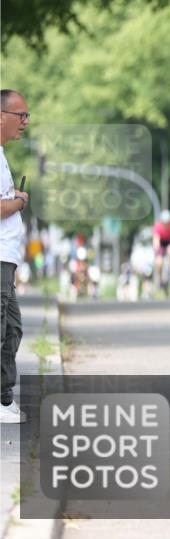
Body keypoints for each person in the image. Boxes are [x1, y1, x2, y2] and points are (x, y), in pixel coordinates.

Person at [1, 88, 30, 423]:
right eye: (20, 115)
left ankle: (4, 398)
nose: (25, 121)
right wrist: (19, 201)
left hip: (6, 258)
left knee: (11, 329)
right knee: (2, 330)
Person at [153, 209, 170, 295]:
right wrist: (158, 250)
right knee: (159, 262)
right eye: (164, 222)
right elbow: (156, 242)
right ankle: (160, 278)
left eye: (168, 222)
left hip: (169, 243)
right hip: (161, 244)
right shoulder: (158, 227)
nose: (166, 224)